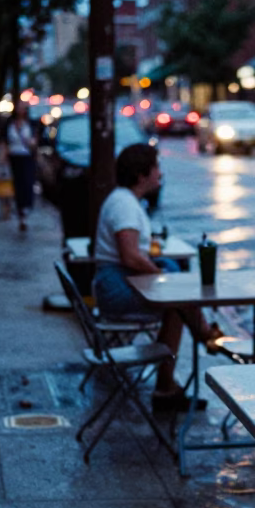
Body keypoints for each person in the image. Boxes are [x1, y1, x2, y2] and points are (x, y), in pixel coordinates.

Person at [93, 142, 222, 412]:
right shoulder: (125, 205)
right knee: (177, 300)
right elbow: (129, 256)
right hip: (115, 288)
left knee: (178, 295)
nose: (160, 174)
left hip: (118, 282)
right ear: (141, 175)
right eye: (156, 168)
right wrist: (160, 273)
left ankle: (172, 379)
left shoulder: (126, 201)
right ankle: (203, 341)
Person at [5, 103, 37, 230]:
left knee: (27, 182)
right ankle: (20, 209)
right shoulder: (10, 124)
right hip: (13, 157)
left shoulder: (31, 124)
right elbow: (4, 140)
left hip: (26, 156)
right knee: (17, 184)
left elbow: (35, 141)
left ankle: (25, 209)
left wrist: (32, 144)